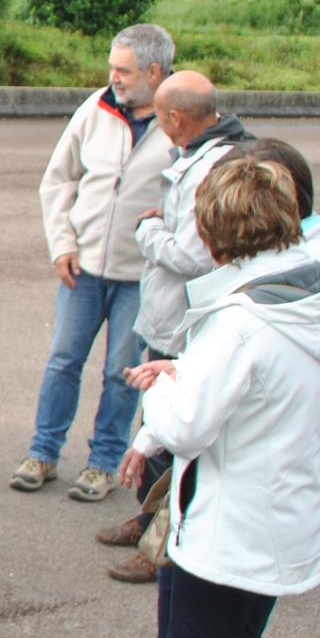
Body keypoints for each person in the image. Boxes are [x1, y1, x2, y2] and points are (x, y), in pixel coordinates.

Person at [95, 157, 320, 638]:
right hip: (288, 512)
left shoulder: (240, 323)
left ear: (215, 236)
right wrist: (192, 375)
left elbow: (188, 426)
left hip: (232, 522)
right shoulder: (316, 294)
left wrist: (165, 384)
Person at [96, 71, 249, 584]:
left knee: (174, 434)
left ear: (175, 118)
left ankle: (161, 543)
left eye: (161, 119)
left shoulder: (213, 166)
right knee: (156, 425)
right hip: (174, 316)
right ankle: (147, 520)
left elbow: (191, 254)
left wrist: (148, 228)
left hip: (185, 318)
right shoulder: (211, 153)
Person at [10, 23, 174, 501]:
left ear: (154, 72)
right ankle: (42, 453)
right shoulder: (96, 107)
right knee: (63, 362)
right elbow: (58, 179)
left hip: (141, 277)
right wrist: (62, 243)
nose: (113, 78)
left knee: (122, 372)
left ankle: (104, 462)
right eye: (111, 67)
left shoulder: (181, 118)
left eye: (122, 70)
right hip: (82, 269)